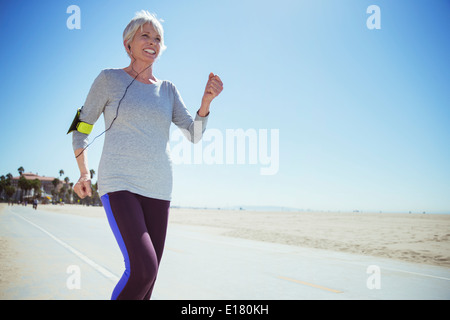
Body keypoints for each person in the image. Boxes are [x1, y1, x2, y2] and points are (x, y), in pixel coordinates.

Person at [71, 10, 223, 300]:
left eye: (158, 38)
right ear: (128, 44)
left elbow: (194, 133)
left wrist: (205, 104)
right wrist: (83, 172)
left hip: (159, 188)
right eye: (145, 35)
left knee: (148, 283)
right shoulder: (107, 79)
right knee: (142, 269)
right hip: (119, 184)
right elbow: (81, 127)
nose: (153, 42)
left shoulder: (168, 90)